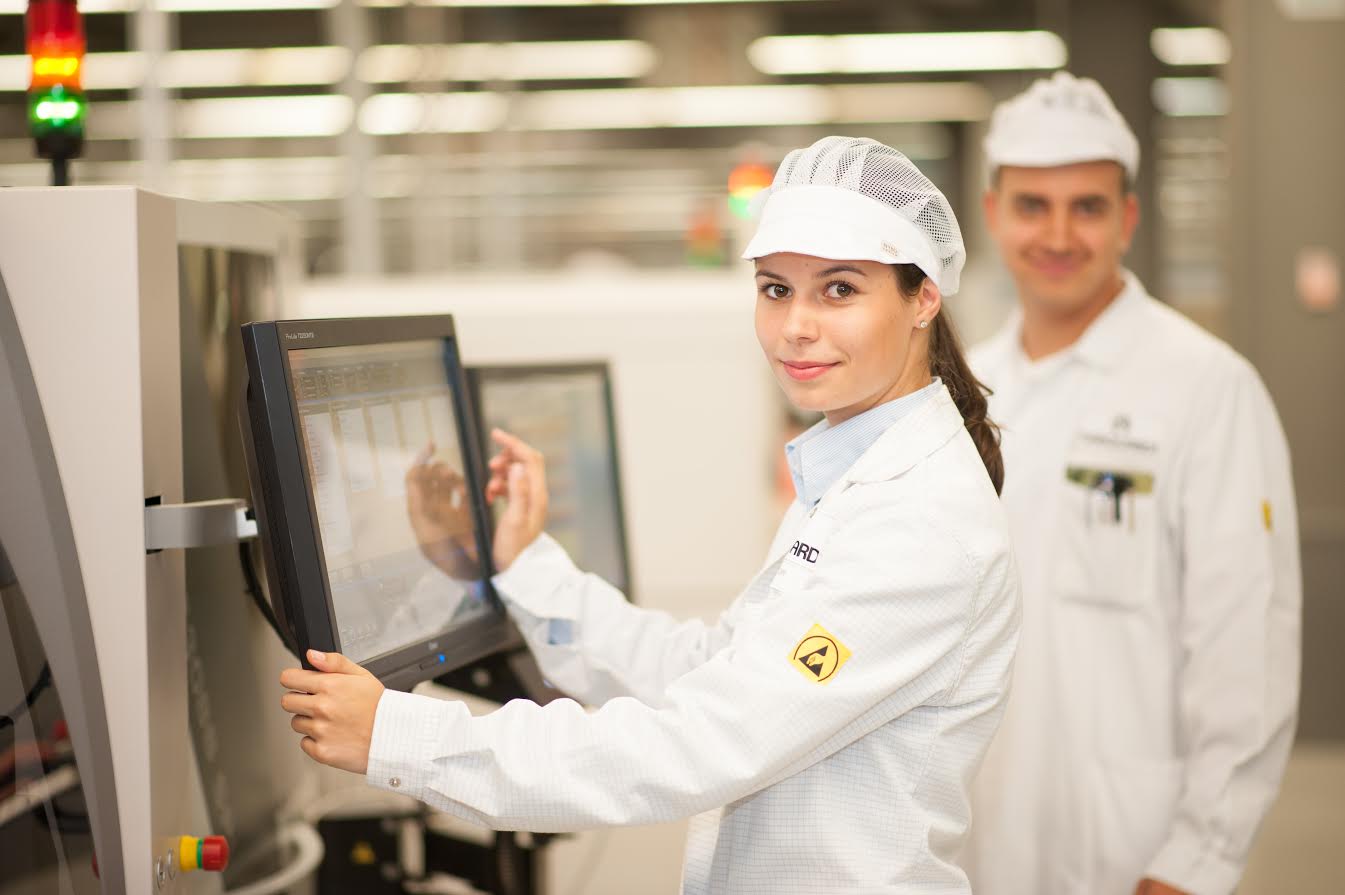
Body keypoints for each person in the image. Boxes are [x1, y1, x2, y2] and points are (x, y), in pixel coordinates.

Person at [278, 136, 1021, 894]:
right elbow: (709, 671)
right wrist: (523, 565)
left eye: (838, 290)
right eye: (774, 289)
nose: (796, 326)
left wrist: (401, 737)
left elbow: (702, 741)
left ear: (923, 297)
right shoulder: (852, 473)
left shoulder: (919, 523)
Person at [964, 71, 1302, 895]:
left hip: (1130, 848)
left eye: (1085, 206)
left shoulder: (1204, 386)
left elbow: (1245, 644)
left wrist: (1196, 859)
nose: (1057, 234)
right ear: (992, 213)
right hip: (974, 838)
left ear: (1126, 217)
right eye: (1032, 205)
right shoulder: (963, 394)